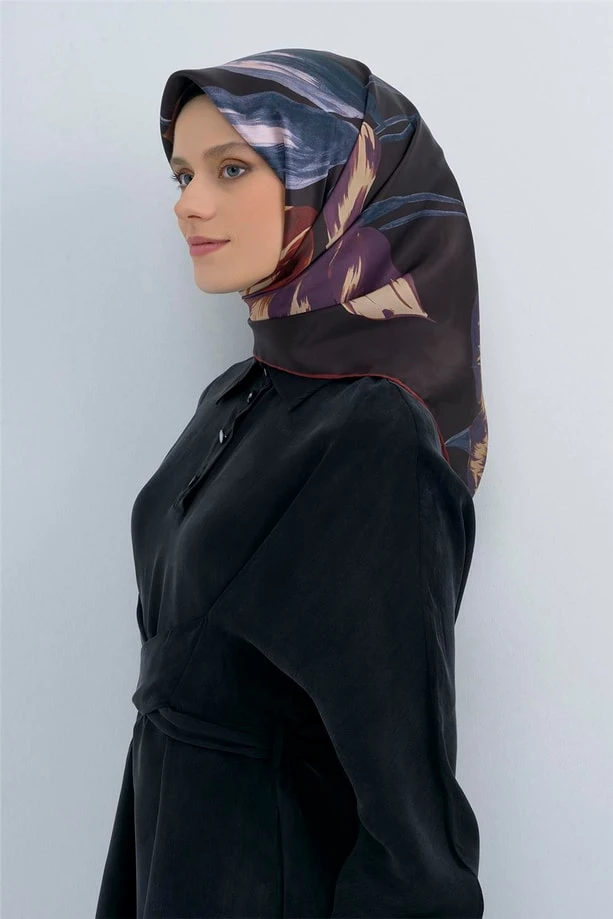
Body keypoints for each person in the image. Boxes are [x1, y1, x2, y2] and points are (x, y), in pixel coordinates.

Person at [95, 47, 488, 919]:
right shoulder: (240, 394)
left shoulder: (374, 432)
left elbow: (408, 814)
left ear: (339, 182)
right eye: (183, 173)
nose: (188, 202)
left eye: (231, 168)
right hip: (173, 859)